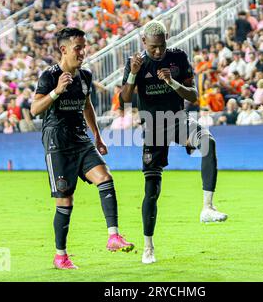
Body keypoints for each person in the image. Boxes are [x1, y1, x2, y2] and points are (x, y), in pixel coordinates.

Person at [121, 20, 227, 264]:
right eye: (153, 47)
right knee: (152, 191)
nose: (158, 51)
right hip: (153, 127)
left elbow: (193, 95)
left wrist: (172, 83)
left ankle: (207, 208)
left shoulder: (178, 58)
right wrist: (134, 74)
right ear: (144, 43)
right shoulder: (136, 63)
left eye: (162, 46)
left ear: (167, 39)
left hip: (179, 120)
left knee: (208, 142)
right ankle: (148, 248)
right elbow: (125, 99)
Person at [30, 28, 134, 270]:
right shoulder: (49, 76)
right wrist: (56, 91)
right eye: (78, 47)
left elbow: (87, 106)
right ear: (63, 49)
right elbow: (35, 109)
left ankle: (113, 236)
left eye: (83, 46)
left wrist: (97, 136)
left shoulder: (85, 76)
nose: (83, 52)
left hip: (80, 139)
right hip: (57, 143)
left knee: (105, 178)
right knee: (65, 201)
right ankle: (60, 256)